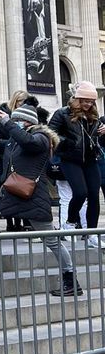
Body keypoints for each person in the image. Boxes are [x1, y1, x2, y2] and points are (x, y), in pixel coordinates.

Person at [0, 103, 81, 296]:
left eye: (16, 121)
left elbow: (28, 142)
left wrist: (7, 121)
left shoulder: (42, 138)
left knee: (52, 241)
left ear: (27, 122)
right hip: (12, 194)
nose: (12, 124)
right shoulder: (15, 141)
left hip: (32, 198)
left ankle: (70, 279)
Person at [49, 81, 105, 246]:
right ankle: (71, 221)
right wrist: (68, 143)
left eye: (91, 101)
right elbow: (51, 133)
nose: (88, 104)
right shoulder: (62, 114)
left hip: (90, 160)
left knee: (94, 195)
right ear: (77, 98)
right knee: (80, 193)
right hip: (70, 159)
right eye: (85, 100)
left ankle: (92, 235)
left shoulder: (93, 116)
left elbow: (98, 141)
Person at [24, 0, 52, 84]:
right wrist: (29, 15)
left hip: (49, 62)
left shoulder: (50, 12)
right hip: (35, 61)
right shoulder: (28, 16)